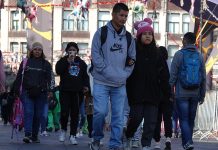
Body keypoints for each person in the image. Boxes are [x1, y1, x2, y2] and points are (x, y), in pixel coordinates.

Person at [89, 2, 136, 150]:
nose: (123, 18)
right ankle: (96, 138)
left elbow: (132, 59)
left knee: (118, 117)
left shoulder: (129, 38)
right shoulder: (101, 33)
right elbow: (95, 56)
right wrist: (107, 71)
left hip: (120, 84)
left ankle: (115, 144)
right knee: (100, 112)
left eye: (126, 16)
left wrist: (124, 75)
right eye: (121, 15)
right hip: (101, 81)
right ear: (113, 15)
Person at [123, 18, 170, 150]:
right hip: (136, 93)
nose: (148, 36)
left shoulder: (158, 53)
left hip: (153, 94)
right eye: (145, 33)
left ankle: (146, 144)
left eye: (150, 33)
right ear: (139, 36)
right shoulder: (133, 52)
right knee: (136, 118)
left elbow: (164, 75)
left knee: (150, 122)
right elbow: (127, 71)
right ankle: (128, 135)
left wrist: (167, 94)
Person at [169, 32, 206, 150]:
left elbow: (173, 76)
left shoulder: (179, 54)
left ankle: (188, 142)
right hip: (195, 93)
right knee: (190, 119)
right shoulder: (199, 56)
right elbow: (203, 77)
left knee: (183, 119)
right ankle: (186, 143)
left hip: (182, 93)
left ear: (184, 41)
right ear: (194, 41)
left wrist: (170, 92)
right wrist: (202, 94)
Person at [13, 42, 55, 143]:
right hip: (27, 92)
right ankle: (28, 134)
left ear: (42, 51)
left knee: (38, 115)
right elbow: (19, 76)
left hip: (41, 93)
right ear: (32, 51)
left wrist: (51, 91)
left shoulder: (46, 64)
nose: (37, 51)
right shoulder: (25, 62)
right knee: (29, 112)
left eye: (39, 49)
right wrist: (15, 90)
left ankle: (35, 136)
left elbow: (51, 79)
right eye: (35, 49)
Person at [56, 42, 89, 145]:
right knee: (64, 112)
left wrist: (86, 86)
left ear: (77, 51)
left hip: (77, 92)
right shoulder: (62, 61)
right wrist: (67, 61)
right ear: (67, 51)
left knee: (75, 114)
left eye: (74, 50)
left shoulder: (81, 63)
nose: (72, 52)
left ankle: (73, 135)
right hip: (65, 91)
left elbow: (85, 76)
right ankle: (63, 130)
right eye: (70, 50)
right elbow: (58, 71)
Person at [153, 46, 173, 150]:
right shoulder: (169, 63)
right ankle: (168, 139)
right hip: (167, 95)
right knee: (167, 118)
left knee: (157, 119)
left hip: (156, 96)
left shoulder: (154, 63)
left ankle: (157, 143)